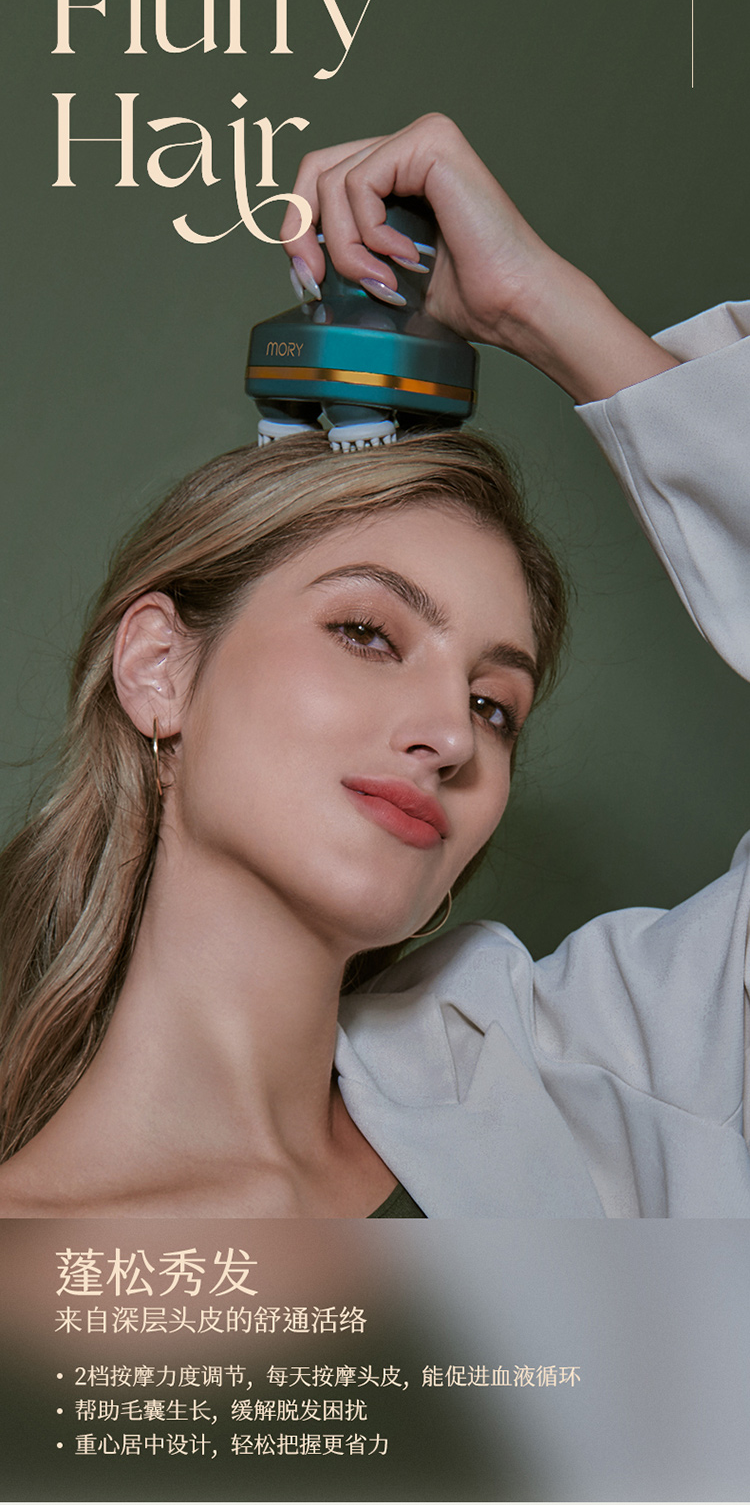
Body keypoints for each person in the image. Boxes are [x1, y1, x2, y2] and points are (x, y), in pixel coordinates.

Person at [0, 116, 747, 1217]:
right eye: (367, 633)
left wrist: (542, 310)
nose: (449, 736)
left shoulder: (595, 1097)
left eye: (494, 706)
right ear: (159, 668)